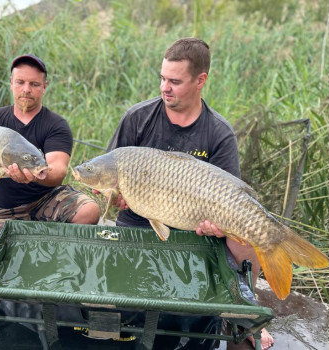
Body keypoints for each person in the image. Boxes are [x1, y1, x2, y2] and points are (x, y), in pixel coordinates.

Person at [97, 38, 274, 350]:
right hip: (139, 224)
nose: (165, 87)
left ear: (200, 80)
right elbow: (108, 177)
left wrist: (221, 226)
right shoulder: (137, 119)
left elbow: (230, 196)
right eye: (163, 78)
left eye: (175, 81)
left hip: (196, 230)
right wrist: (115, 198)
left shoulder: (219, 133)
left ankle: (245, 315)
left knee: (244, 237)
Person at [0, 54, 101, 250]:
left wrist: (35, 176)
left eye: (34, 84)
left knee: (90, 211)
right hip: (3, 207)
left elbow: (58, 170)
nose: (26, 89)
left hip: (45, 200)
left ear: (44, 87)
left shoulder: (56, 124)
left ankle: (51, 248)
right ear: (11, 84)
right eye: (20, 82)